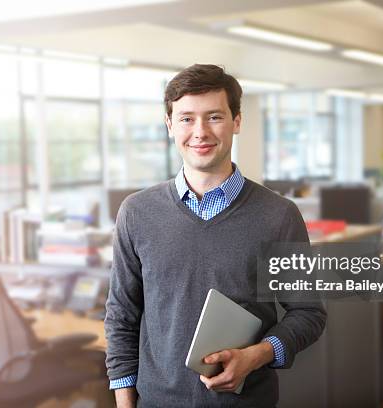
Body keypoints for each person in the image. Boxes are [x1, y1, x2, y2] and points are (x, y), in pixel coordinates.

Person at [105, 64, 326, 408]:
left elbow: (309, 313)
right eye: (186, 118)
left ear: (237, 121)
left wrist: (256, 355)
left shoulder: (278, 215)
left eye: (214, 117)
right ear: (169, 125)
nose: (200, 131)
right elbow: (122, 315)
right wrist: (124, 404)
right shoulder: (136, 213)